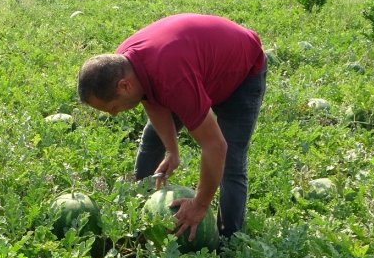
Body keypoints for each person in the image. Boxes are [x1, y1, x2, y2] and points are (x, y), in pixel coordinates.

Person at [77, 13, 267, 242]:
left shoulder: (172, 78)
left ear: (124, 85)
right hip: (198, 71)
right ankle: (140, 208)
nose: (115, 114)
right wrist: (172, 150)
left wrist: (199, 204)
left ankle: (229, 242)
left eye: (113, 107)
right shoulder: (125, 63)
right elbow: (152, 103)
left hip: (241, 73)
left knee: (232, 161)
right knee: (152, 138)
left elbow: (215, 146)